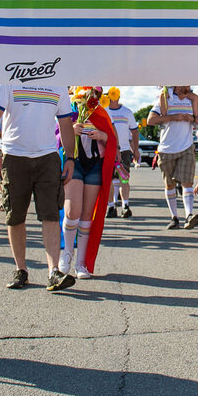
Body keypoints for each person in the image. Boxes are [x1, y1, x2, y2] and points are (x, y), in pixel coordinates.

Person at [0, 79, 77, 292]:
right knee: (15, 215)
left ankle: (54, 272)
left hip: (47, 156)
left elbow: (65, 123)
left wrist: (70, 157)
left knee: (51, 214)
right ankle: (21, 270)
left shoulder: (58, 83)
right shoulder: (8, 80)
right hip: (14, 155)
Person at [59, 86, 118, 280]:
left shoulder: (101, 111)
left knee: (87, 214)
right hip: (73, 162)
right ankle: (67, 253)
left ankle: (81, 262)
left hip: (95, 165)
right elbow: (54, 136)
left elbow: (112, 139)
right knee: (72, 210)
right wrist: (70, 131)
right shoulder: (67, 107)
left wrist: (103, 136)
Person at [147, 86, 198, 230]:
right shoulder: (166, 98)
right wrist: (174, 117)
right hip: (166, 149)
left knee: (187, 182)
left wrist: (192, 118)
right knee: (170, 184)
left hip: (186, 147)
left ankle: (189, 215)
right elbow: (151, 120)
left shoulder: (191, 100)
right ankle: (174, 217)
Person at [103, 87, 139, 218]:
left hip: (124, 150)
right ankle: (112, 207)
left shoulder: (127, 112)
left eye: (114, 95)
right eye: (109, 95)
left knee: (124, 179)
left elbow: (134, 131)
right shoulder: (103, 111)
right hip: (107, 149)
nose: (112, 98)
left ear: (118, 97)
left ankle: (125, 205)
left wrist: (135, 149)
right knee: (110, 180)